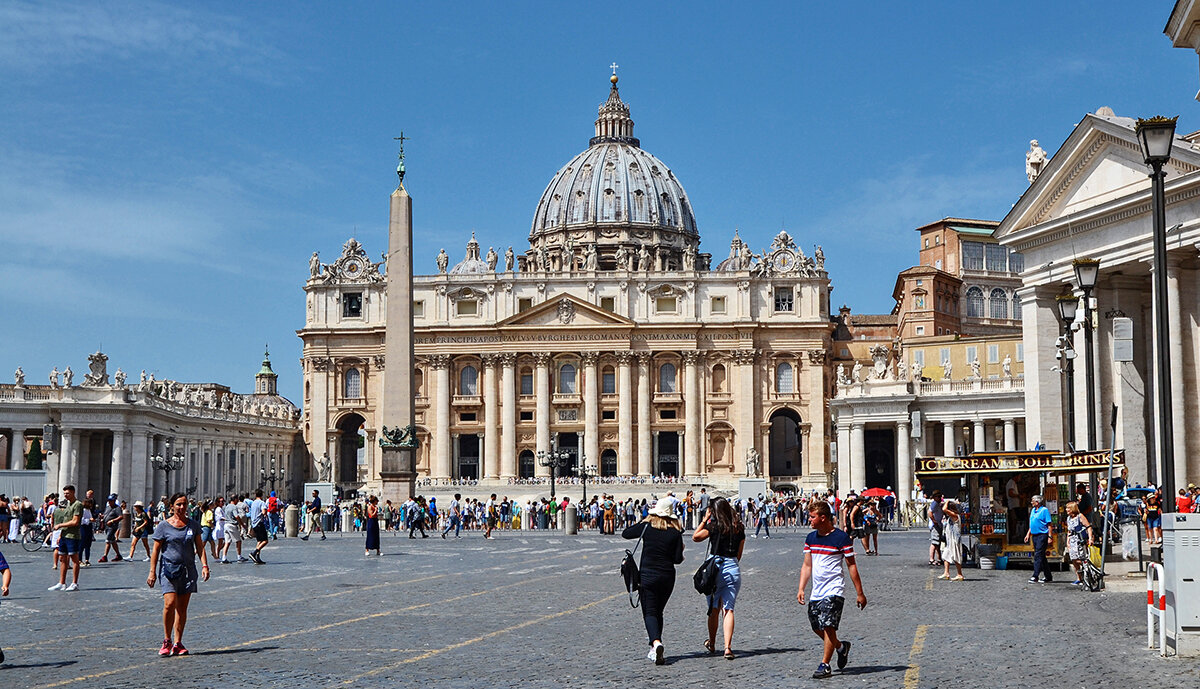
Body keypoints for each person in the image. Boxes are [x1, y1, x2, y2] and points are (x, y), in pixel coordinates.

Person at [797, 499, 867, 679]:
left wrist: (859, 593)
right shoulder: (810, 538)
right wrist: (801, 588)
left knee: (828, 626)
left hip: (834, 589)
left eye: (812, 517)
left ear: (823, 517)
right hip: (816, 591)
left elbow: (851, 565)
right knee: (816, 626)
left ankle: (825, 664)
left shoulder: (841, 538)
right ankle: (841, 647)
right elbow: (807, 566)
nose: (809, 520)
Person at [622, 498, 684, 665]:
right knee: (658, 612)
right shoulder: (675, 532)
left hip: (648, 575)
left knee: (649, 612)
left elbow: (626, 533)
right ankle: (655, 648)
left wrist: (644, 521)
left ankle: (656, 643)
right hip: (667, 577)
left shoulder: (647, 528)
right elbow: (678, 559)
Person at [147, 492, 210, 656]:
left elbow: (200, 547)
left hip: (188, 571)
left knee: (182, 609)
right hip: (168, 570)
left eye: (184, 504)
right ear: (172, 507)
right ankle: (166, 640)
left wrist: (205, 565)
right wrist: (152, 572)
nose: (182, 507)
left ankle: (178, 642)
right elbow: (155, 550)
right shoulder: (163, 526)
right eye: (178, 504)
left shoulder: (193, 525)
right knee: (170, 604)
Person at [692, 497, 745, 659]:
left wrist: (704, 520)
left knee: (714, 608)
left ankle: (713, 643)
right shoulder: (739, 527)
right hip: (733, 568)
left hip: (715, 570)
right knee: (728, 609)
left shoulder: (714, 526)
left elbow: (696, 537)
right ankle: (728, 647)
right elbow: (739, 554)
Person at [48, 485, 84, 592]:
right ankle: (62, 583)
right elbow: (67, 519)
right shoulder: (68, 504)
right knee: (62, 558)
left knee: (74, 559)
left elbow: (75, 521)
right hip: (64, 535)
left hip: (73, 536)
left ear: (73, 492)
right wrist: (60, 535)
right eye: (64, 493)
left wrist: (60, 526)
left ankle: (74, 583)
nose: (65, 495)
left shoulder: (78, 505)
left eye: (67, 493)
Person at [1025, 494, 1054, 583]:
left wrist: (1050, 536)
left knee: (1038, 555)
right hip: (1035, 535)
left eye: (1032, 501)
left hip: (1042, 535)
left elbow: (1049, 524)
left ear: (1037, 502)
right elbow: (1032, 523)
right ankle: (1048, 576)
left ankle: (1035, 575)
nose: (1031, 502)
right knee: (1041, 556)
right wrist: (1028, 534)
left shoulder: (1044, 510)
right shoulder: (1033, 510)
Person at [1064, 501, 1093, 587]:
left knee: (1081, 558)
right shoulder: (1069, 518)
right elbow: (1069, 531)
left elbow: (1088, 527)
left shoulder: (1080, 516)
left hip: (1080, 540)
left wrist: (1090, 538)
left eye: (1068, 508)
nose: (1066, 510)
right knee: (1073, 559)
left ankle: (1088, 570)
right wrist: (1067, 541)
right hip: (1072, 540)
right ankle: (1079, 578)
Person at [937, 500, 964, 581]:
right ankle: (946, 573)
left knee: (956, 556)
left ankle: (960, 574)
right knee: (946, 555)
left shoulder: (955, 516)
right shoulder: (950, 517)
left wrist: (947, 501)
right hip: (949, 540)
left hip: (954, 540)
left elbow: (944, 509)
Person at [98, 495, 124, 563]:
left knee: (108, 541)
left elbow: (121, 517)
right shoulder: (108, 507)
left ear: (114, 501)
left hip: (112, 527)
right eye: (108, 501)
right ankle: (118, 555)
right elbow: (106, 514)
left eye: (111, 501)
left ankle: (105, 556)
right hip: (106, 526)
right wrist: (102, 516)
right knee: (112, 541)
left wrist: (112, 521)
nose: (109, 502)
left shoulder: (117, 508)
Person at [248, 489, 269, 565]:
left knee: (259, 541)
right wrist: (265, 513)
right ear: (261, 495)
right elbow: (264, 512)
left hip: (254, 523)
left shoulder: (253, 503)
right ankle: (254, 553)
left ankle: (257, 558)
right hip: (259, 523)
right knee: (265, 541)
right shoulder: (262, 503)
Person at [927, 491, 945, 567]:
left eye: (940, 496)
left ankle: (939, 558)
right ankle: (931, 559)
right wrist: (934, 521)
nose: (939, 498)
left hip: (938, 524)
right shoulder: (934, 504)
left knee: (938, 543)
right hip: (935, 525)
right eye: (938, 496)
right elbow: (929, 512)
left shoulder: (937, 504)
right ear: (934, 497)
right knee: (934, 543)